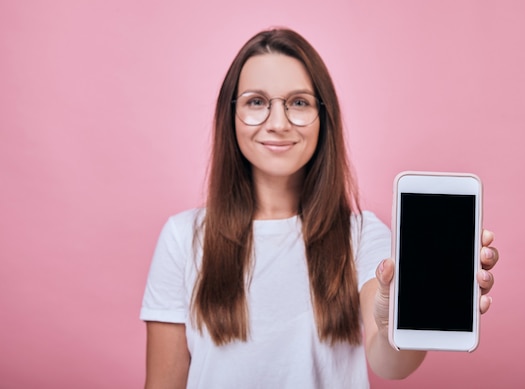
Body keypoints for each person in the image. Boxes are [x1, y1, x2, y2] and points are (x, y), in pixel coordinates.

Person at [140, 27, 499, 388]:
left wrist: (395, 321)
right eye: (256, 102)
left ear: (323, 116)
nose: (278, 124)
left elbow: (391, 363)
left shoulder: (362, 236)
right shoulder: (182, 238)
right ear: (230, 115)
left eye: (298, 102)